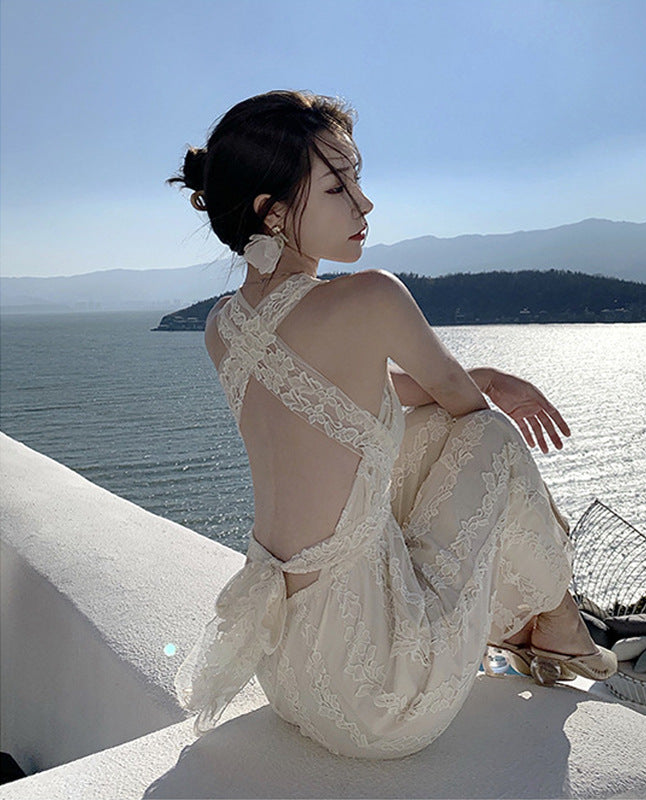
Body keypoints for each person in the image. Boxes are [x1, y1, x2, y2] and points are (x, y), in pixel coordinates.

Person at [171, 90, 616, 759]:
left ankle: (551, 618)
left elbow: (352, 396)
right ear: (270, 211)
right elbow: (467, 410)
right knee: (488, 434)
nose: (364, 204)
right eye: (337, 186)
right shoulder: (371, 296)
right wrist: (487, 389)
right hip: (383, 696)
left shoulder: (222, 325)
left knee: (422, 430)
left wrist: (485, 377)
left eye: (357, 179)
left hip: (289, 678)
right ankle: (557, 618)